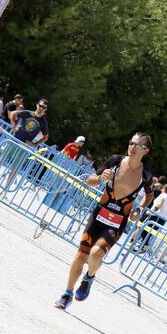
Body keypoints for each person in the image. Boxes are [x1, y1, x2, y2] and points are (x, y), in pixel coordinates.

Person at [55, 132, 154, 310]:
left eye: (136, 145)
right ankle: (67, 294)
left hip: (117, 222)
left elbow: (149, 195)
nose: (131, 147)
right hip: (99, 215)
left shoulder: (145, 174)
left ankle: (89, 278)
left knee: (96, 253)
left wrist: (139, 209)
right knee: (80, 256)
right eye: (131, 143)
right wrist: (101, 178)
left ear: (145, 150)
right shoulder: (115, 161)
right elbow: (89, 181)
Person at [0, 99, 49, 188]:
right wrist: (14, 127)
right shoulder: (28, 113)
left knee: (14, 169)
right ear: (37, 105)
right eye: (40, 106)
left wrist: (35, 144)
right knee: (0, 161)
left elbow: (46, 137)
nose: (41, 108)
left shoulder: (43, 122)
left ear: (45, 110)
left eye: (44, 108)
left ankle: (4, 191)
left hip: (25, 146)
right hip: (15, 140)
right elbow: (13, 113)